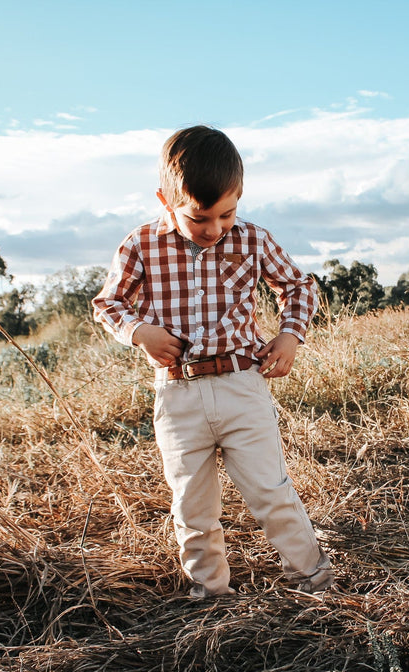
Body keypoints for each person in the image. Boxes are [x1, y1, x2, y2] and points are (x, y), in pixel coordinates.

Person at [92, 125, 332, 598]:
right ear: (166, 200)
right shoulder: (141, 244)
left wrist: (289, 336)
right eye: (199, 217)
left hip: (242, 385)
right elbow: (107, 303)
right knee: (192, 507)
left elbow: (299, 287)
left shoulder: (253, 240)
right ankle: (210, 600)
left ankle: (316, 586)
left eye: (227, 214)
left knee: (271, 494)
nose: (214, 229)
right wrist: (140, 331)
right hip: (178, 395)